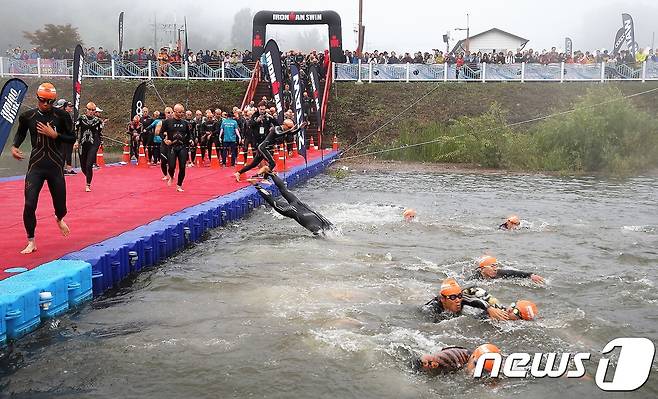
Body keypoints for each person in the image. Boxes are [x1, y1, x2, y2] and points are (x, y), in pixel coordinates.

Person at [11, 83, 75, 254]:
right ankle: (31, 241)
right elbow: (20, 133)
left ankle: (59, 218)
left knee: (61, 208)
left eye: (50, 102)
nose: (46, 105)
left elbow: (72, 137)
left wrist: (56, 135)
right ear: (37, 98)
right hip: (36, 167)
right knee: (29, 204)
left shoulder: (62, 116)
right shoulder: (28, 116)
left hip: (55, 167)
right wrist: (14, 146)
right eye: (43, 101)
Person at [252, 167, 334, 236]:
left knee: (284, 190)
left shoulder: (327, 225)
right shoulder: (320, 230)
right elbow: (319, 233)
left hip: (300, 204)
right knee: (273, 202)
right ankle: (256, 184)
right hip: (293, 210)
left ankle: (269, 172)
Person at [234, 119, 307, 181]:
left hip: (265, 148)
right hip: (263, 148)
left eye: (291, 128)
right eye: (289, 127)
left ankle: (239, 173)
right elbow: (278, 134)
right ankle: (264, 178)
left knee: (253, 164)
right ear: (284, 125)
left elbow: (292, 133)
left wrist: (300, 128)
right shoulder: (276, 128)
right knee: (272, 163)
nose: (290, 129)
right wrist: (289, 131)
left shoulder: (285, 130)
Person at [422, 278, 510, 322]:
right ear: (442, 299)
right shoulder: (432, 308)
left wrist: (489, 309)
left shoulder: (461, 298)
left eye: (459, 296)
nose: (457, 300)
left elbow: (475, 301)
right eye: (453, 297)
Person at [159, 104, 192, 192]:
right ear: (175, 111)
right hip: (172, 147)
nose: (182, 114)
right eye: (180, 112)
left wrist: (190, 140)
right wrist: (165, 140)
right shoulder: (167, 122)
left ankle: (179, 185)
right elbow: (161, 133)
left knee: (182, 167)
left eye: (183, 112)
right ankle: (172, 176)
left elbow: (189, 135)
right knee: (171, 166)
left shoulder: (185, 123)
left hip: (182, 147)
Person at [414, 343, 500, 375]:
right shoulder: (444, 361)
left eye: (429, 362)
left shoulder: (443, 359)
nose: (432, 364)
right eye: (428, 365)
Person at [74, 102, 103, 192]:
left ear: (95, 111)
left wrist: (101, 143)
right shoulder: (81, 118)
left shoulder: (98, 121)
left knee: (89, 164)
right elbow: (75, 129)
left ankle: (88, 184)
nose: (91, 112)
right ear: (86, 109)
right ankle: (89, 176)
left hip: (93, 143)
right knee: (83, 166)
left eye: (93, 110)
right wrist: (75, 141)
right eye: (89, 110)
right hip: (83, 143)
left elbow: (100, 133)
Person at [470, 255, 545, 284]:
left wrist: (530, 275)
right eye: (492, 266)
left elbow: (514, 273)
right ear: (483, 268)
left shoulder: (500, 273)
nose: (495, 269)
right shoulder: (475, 278)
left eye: (496, 266)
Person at [54, 99, 76, 175]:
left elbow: (70, 128)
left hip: (67, 137)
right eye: (69, 106)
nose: (71, 108)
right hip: (62, 137)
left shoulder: (67, 115)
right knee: (62, 153)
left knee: (68, 153)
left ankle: (67, 169)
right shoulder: (59, 115)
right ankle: (61, 169)